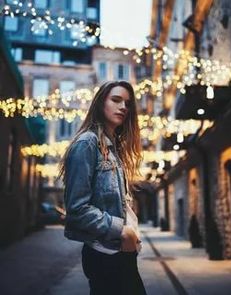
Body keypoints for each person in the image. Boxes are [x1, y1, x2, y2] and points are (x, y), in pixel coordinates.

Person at [59, 81, 147, 295]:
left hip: (122, 252)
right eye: (116, 100)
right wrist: (122, 231)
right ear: (100, 104)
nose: (124, 107)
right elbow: (77, 210)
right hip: (105, 255)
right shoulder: (87, 144)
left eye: (127, 103)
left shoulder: (113, 148)